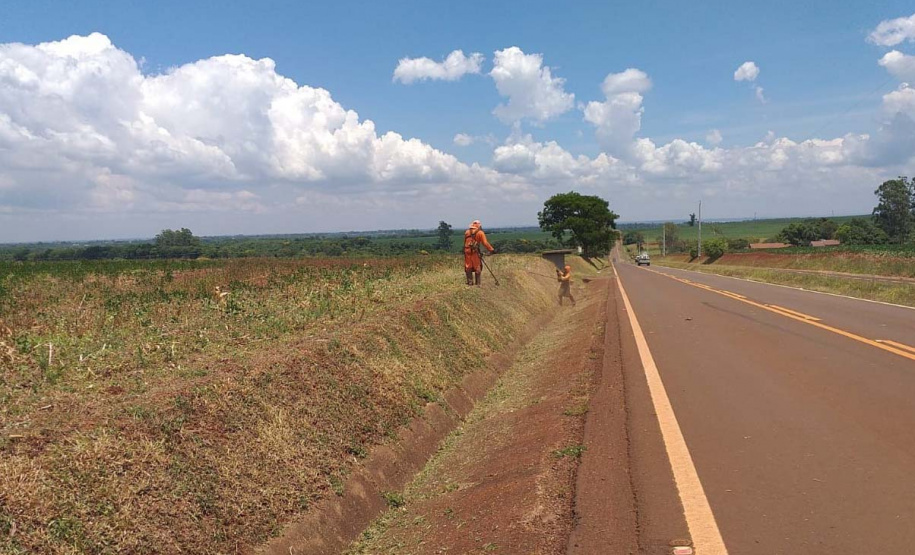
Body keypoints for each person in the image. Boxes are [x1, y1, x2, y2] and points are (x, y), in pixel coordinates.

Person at [463, 220, 495, 286]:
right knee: (477, 266)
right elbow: (485, 243)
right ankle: (478, 284)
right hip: (475, 251)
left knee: (468, 266)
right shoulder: (480, 233)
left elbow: (465, 242)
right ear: (479, 226)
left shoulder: (467, 232)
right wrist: (491, 249)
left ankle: (470, 282)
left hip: (467, 251)